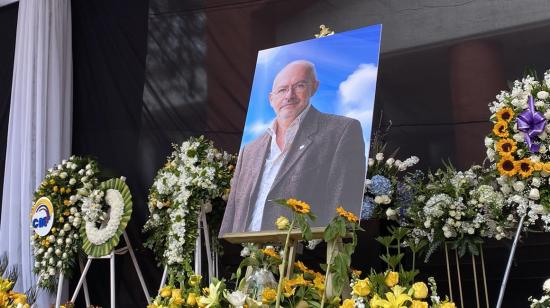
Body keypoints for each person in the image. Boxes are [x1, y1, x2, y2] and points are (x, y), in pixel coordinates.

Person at [219, 60, 366, 235]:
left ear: (314, 87)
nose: (289, 95)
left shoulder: (341, 131)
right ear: (271, 99)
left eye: (299, 86)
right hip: (244, 252)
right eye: (282, 90)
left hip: (299, 254)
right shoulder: (249, 150)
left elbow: (342, 203)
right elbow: (232, 214)